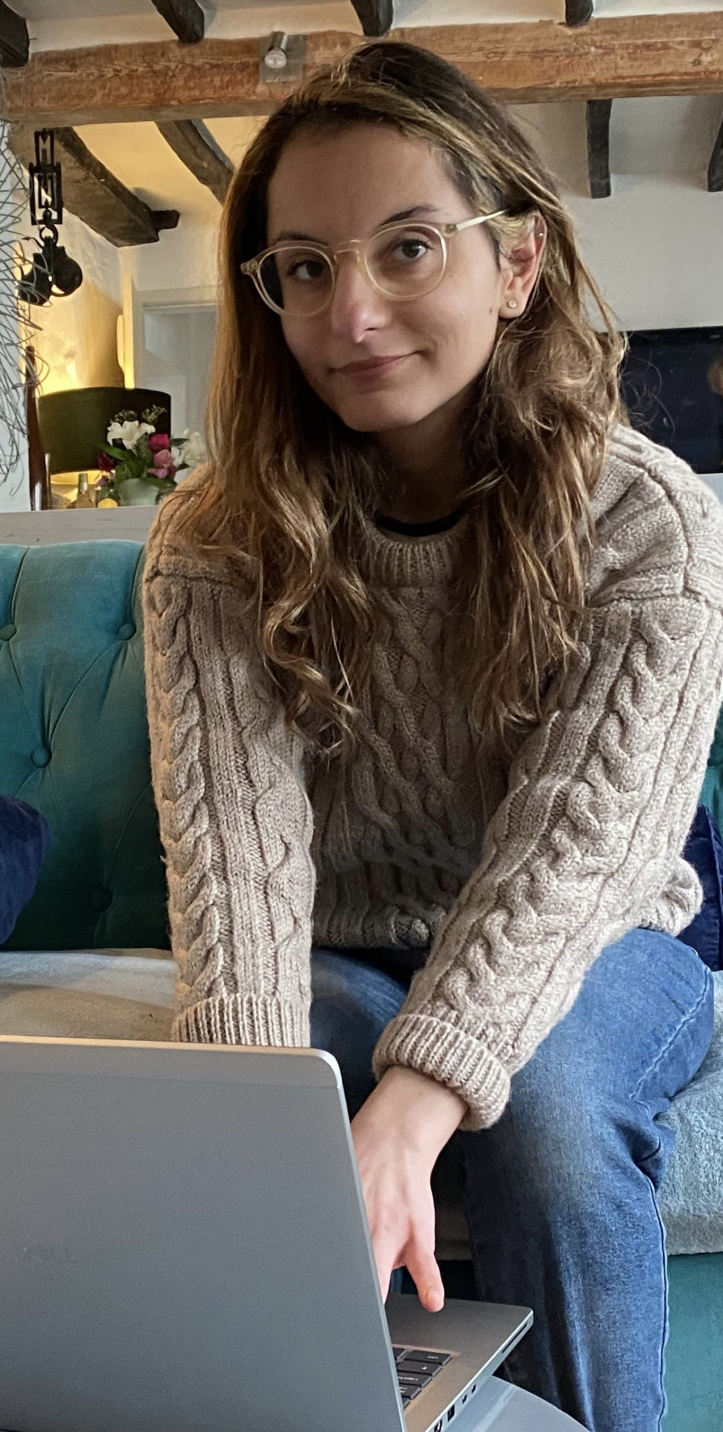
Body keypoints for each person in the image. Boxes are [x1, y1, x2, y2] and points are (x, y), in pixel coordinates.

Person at [141, 40, 723, 1432]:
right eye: (305, 267)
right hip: (349, 937)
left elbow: (574, 858)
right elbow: (237, 852)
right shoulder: (211, 540)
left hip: (608, 936)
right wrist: (255, 1105)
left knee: (556, 1126)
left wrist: (415, 1103)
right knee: (268, 1101)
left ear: (517, 263)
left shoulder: (646, 517)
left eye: (408, 248)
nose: (354, 312)